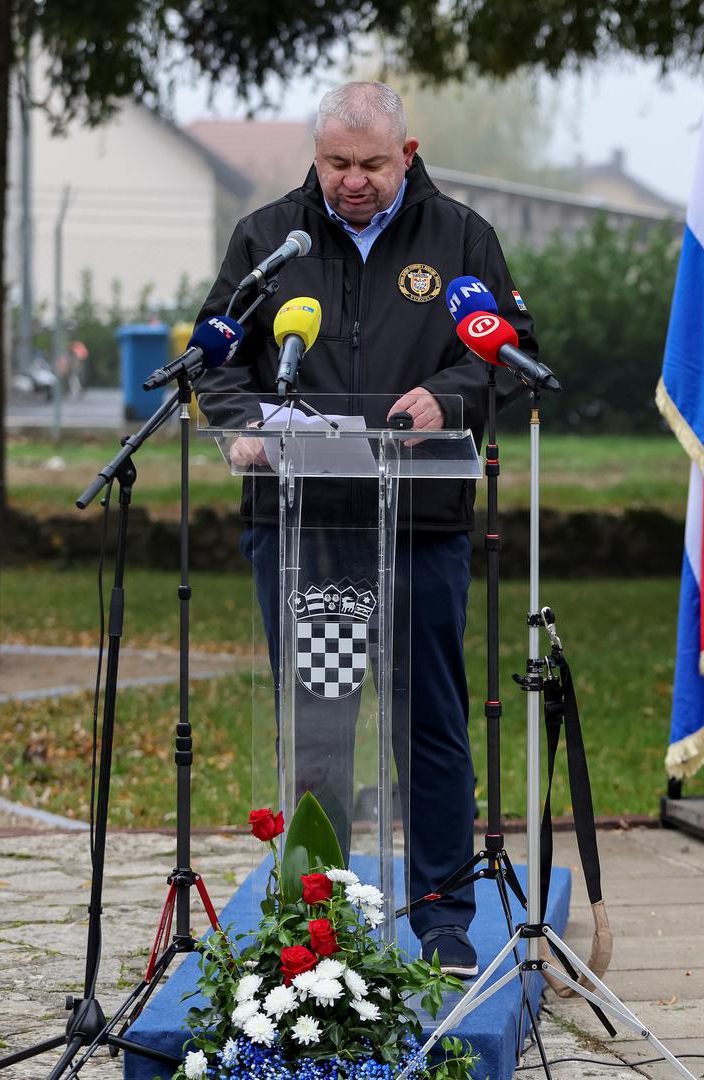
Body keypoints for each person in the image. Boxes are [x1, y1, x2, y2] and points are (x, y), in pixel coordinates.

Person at [196, 81, 535, 977]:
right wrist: (239, 425)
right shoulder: (270, 239)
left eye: (372, 164)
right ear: (315, 158)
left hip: (419, 525)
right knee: (320, 726)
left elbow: (505, 352)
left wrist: (449, 396)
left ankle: (442, 919)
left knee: (429, 722)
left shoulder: (459, 239)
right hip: (306, 529)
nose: (353, 180)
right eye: (336, 163)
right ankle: (320, 919)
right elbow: (216, 353)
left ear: (407, 154)